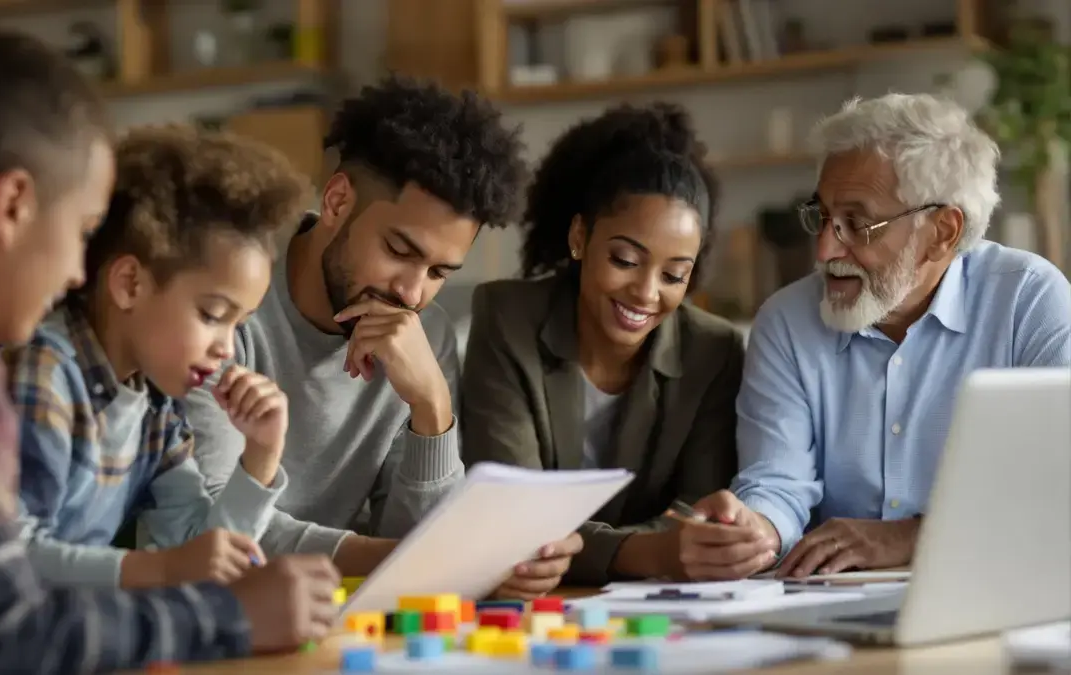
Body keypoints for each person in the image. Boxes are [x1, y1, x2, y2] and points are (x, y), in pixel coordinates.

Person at [0, 31, 337, 672]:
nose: (75, 270)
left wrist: (256, 468)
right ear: (12, 205)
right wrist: (229, 617)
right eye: (84, 231)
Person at [182, 74, 581, 595]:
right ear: (337, 201)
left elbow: (412, 554)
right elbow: (213, 529)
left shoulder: (424, 337)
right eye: (399, 250)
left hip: (342, 615)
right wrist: (436, 560)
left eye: (439, 272)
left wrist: (432, 409)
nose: (412, 293)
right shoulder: (223, 307)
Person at [683, 93, 1071, 579]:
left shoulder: (1028, 301)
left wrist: (909, 537)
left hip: (998, 586)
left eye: (858, 224)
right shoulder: (785, 322)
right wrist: (754, 531)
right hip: (836, 604)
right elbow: (777, 484)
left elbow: (1056, 486)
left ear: (942, 232)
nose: (825, 250)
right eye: (823, 217)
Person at [460, 102, 769, 585]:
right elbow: (514, 517)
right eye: (625, 260)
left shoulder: (714, 350)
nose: (646, 293)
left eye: (673, 275)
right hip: (535, 596)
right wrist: (648, 552)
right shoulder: (506, 318)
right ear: (580, 237)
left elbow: (697, 512)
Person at [1, 124, 310, 589]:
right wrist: (159, 570)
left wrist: (261, 456)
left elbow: (196, 552)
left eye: (238, 324)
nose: (227, 348)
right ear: (130, 284)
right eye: (212, 315)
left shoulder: (155, 407)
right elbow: (8, 556)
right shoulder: (44, 374)